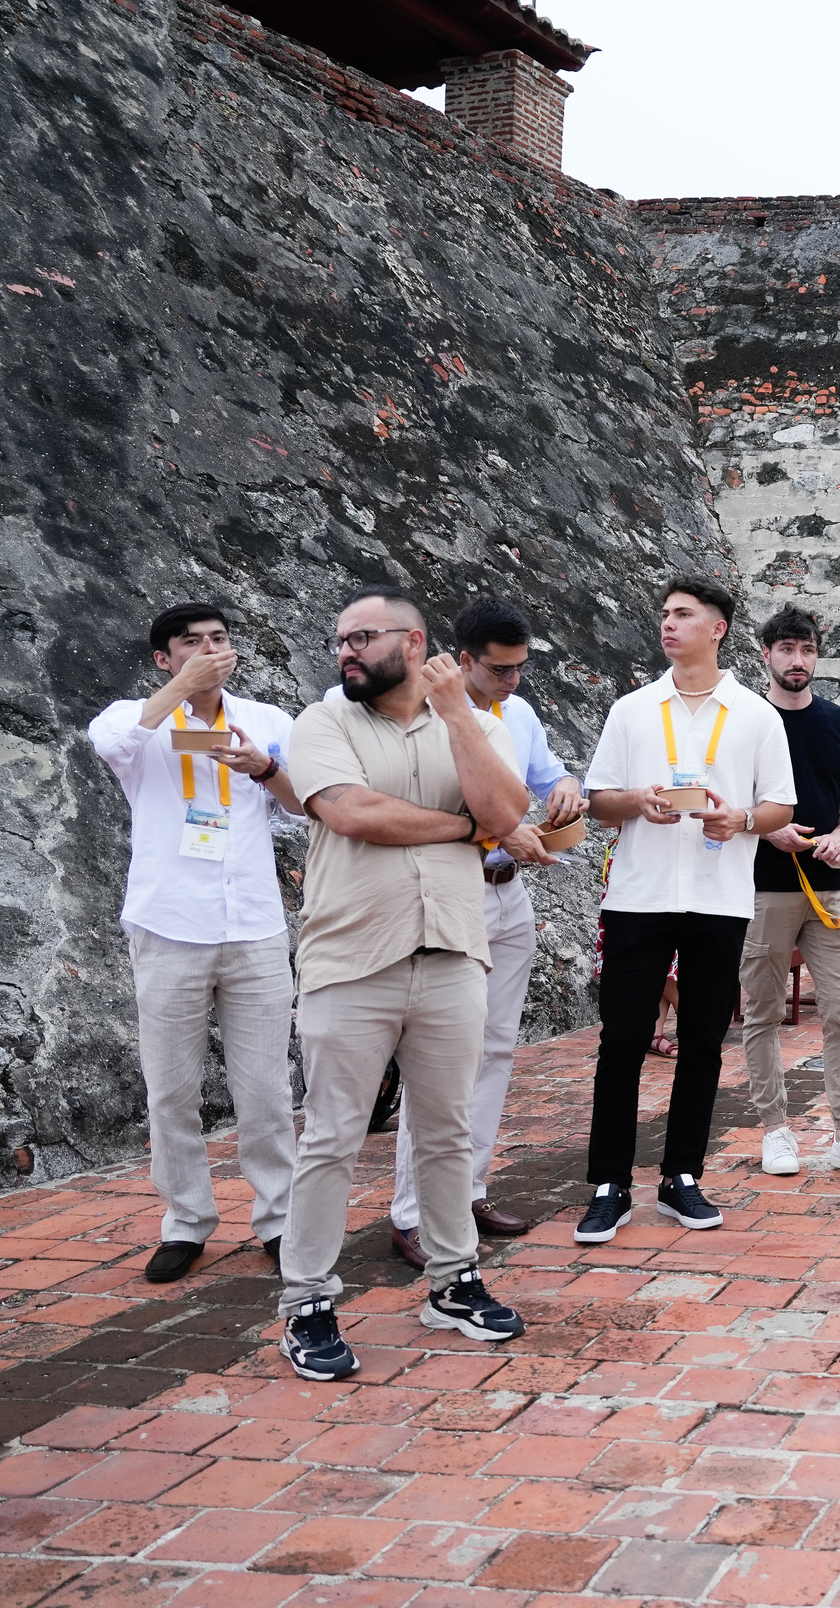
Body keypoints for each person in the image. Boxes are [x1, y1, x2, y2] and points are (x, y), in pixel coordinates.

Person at [275, 585, 532, 1379]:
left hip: (452, 951)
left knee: (448, 1130)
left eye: (361, 637)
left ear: (414, 643)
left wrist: (458, 718)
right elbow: (354, 813)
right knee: (331, 1136)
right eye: (339, 640)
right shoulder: (322, 722)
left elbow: (508, 809)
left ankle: (454, 1280)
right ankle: (307, 1302)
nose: (345, 651)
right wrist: (465, 828)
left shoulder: (476, 723)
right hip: (352, 957)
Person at [88, 602, 305, 1284]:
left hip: (255, 926)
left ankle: (280, 1218)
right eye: (192, 643)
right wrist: (186, 687)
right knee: (172, 1089)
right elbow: (112, 743)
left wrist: (265, 768)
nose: (211, 650)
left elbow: (306, 803)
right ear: (164, 658)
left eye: (220, 639)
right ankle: (185, 1220)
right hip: (169, 925)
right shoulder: (136, 718)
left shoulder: (267, 720)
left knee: (267, 1088)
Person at [575, 579, 797, 1244]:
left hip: (717, 898)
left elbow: (780, 806)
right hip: (638, 896)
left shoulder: (755, 715)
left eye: (682, 614)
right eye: (665, 613)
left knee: (703, 1041)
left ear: (717, 628)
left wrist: (742, 819)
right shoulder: (633, 710)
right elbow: (597, 800)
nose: (667, 624)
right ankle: (609, 1184)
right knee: (622, 1041)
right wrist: (636, 802)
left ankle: (682, 1176)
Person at [386, 600, 585, 1268]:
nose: (513, 680)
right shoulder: (418, 714)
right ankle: (413, 1211)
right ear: (463, 659)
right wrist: (502, 829)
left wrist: (566, 788)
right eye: (501, 669)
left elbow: (550, 774)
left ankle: (467, 1189)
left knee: (496, 1048)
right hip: (449, 889)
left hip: (509, 893)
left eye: (521, 667)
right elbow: (416, 809)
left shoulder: (518, 712)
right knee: (437, 1055)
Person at [734, 605, 840, 1182]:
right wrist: (767, 829)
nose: (798, 660)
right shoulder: (745, 720)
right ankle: (775, 1129)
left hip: (831, 886)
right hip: (762, 887)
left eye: (807, 650)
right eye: (787, 649)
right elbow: (727, 802)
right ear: (766, 654)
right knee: (763, 1013)